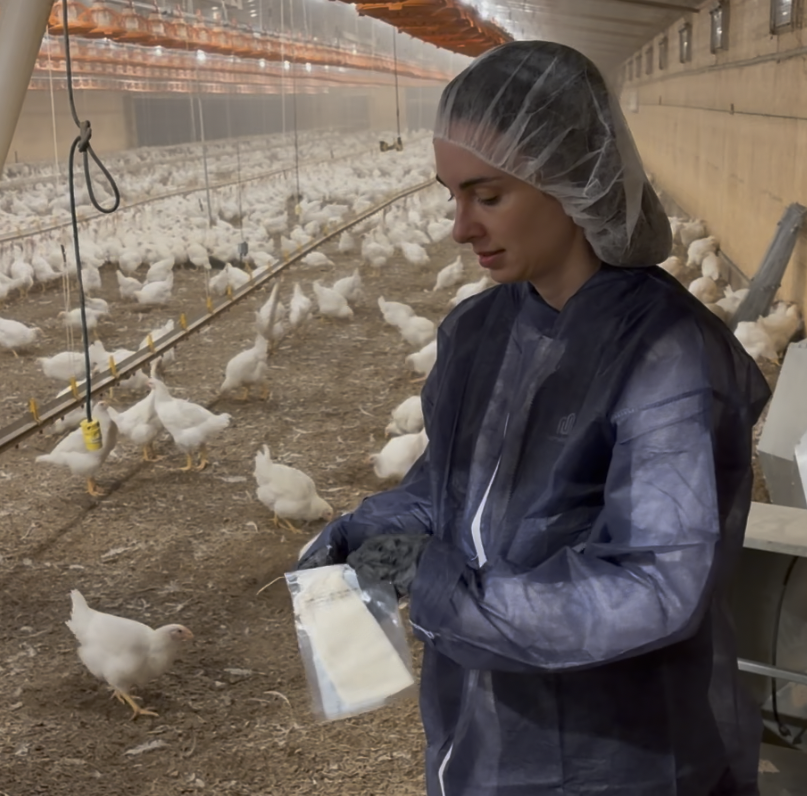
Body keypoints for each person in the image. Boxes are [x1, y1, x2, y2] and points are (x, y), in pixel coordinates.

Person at [298, 40, 771, 796]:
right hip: (480, 731)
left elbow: (653, 589)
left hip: (616, 755)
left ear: (570, 182)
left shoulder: (664, 357)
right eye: (452, 196)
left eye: (487, 197)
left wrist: (443, 586)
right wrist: (373, 525)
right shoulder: (481, 330)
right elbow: (451, 488)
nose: (461, 226)